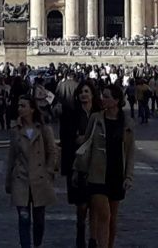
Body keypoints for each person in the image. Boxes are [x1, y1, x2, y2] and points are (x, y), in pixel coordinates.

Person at [79, 84, 135, 248]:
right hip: (96, 173)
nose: (103, 99)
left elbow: (130, 151)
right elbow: (87, 143)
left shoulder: (127, 122)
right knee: (104, 215)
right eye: (102, 95)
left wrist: (129, 176)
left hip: (116, 172)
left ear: (116, 100)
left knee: (112, 218)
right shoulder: (96, 118)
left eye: (107, 96)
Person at [5, 94, 57, 248]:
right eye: (19, 106)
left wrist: (49, 171)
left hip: (40, 178)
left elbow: (52, 151)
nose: (20, 109)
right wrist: (8, 180)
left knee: (39, 220)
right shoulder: (15, 131)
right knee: (24, 219)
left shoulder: (44, 129)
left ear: (32, 109)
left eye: (23, 106)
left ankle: (37, 244)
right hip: (21, 178)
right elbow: (11, 156)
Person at [61, 81, 96, 248]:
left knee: (96, 204)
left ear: (92, 94)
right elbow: (65, 140)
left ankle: (93, 239)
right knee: (81, 205)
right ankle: (81, 231)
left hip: (96, 164)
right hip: (78, 164)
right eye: (81, 91)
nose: (84, 94)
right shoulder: (71, 114)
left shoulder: (99, 114)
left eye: (87, 91)